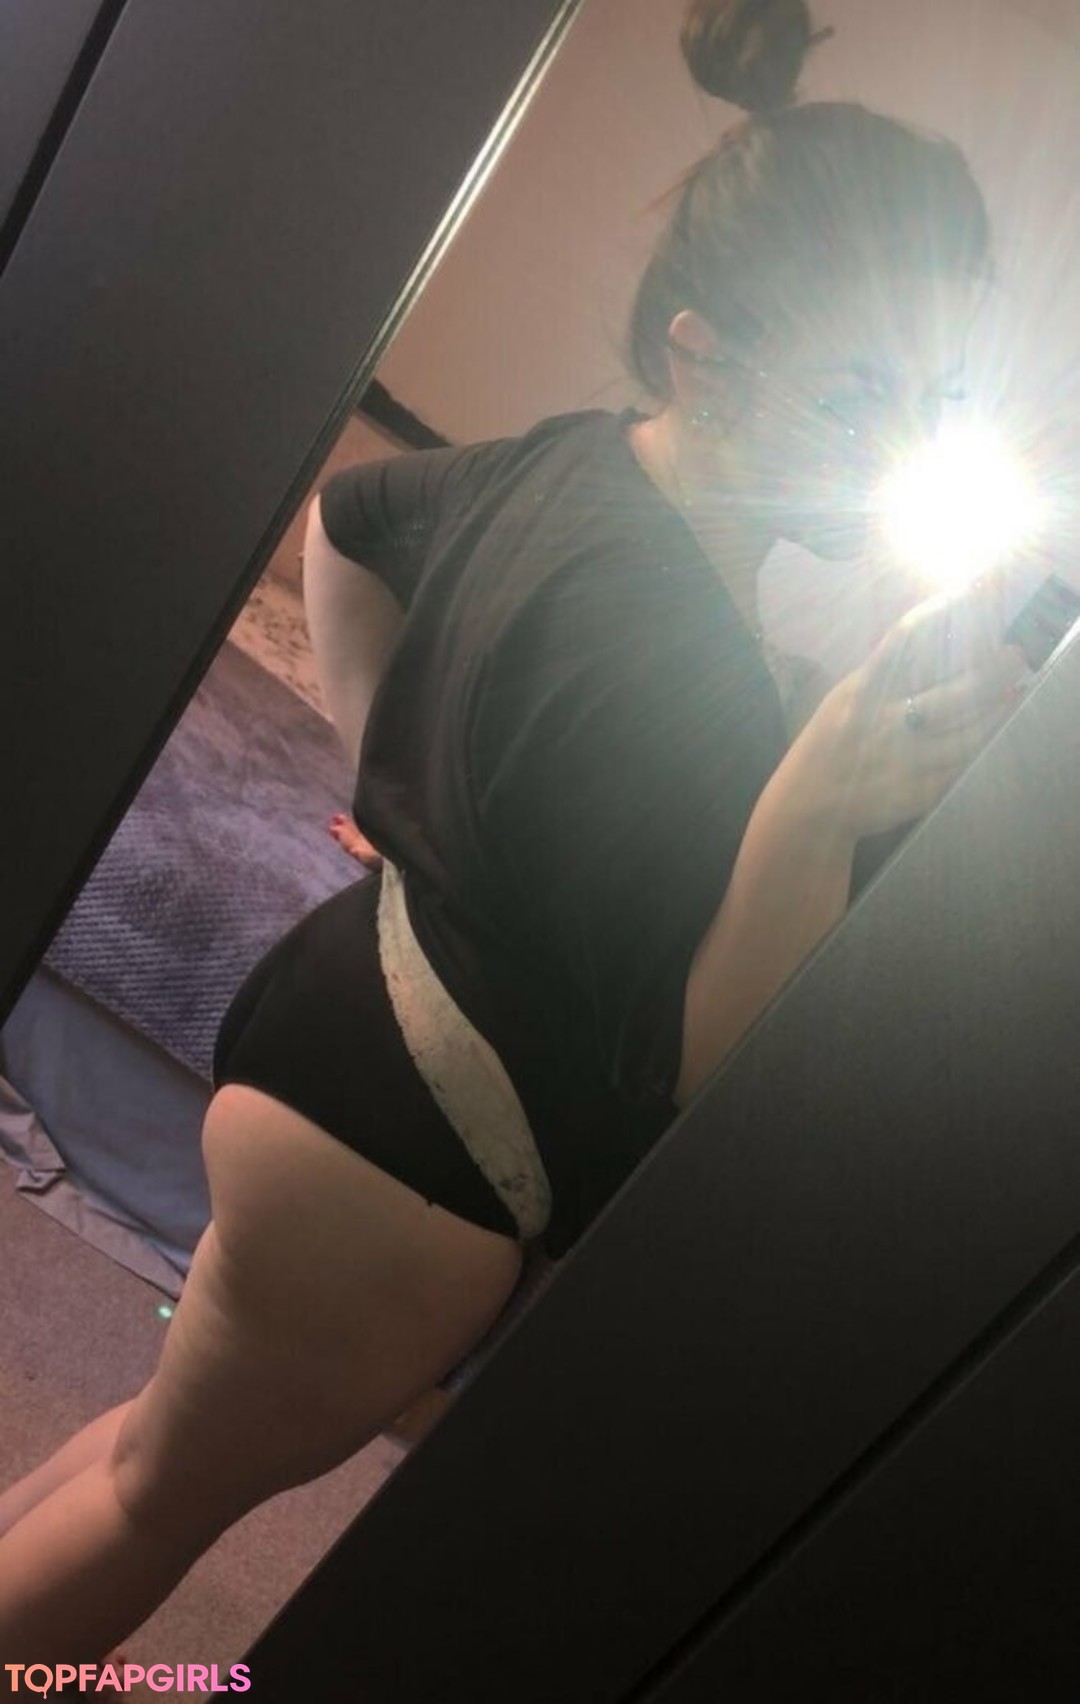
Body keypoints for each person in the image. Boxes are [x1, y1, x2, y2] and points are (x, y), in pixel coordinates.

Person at [0, 0, 1027, 1666]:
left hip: (332, 1031)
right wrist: (824, 795)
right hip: (407, 1168)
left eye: (931, 397)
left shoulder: (573, 464)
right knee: (155, 1505)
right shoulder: (691, 669)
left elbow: (347, 521)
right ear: (703, 353)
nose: (888, 442)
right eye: (859, 393)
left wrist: (389, 773)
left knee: (154, 1452)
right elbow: (702, 1068)